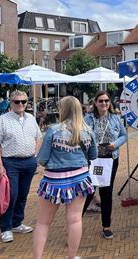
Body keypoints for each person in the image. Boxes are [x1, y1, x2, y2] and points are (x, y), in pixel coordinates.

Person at [33, 96, 97, 259]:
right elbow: (93, 155)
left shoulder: (53, 130)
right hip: (80, 180)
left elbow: (41, 159)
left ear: (63, 110)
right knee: (75, 220)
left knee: (43, 222)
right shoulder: (88, 131)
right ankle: (72, 256)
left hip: (53, 180)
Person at [0, 90, 42, 243]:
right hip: (10, 162)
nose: (20, 104)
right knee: (10, 195)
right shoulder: (3, 120)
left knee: (22, 195)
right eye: (17, 102)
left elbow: (39, 137)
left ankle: (17, 223)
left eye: (23, 102)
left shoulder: (31, 118)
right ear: (10, 103)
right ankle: (5, 227)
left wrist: (34, 155)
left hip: (28, 162)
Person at [82, 91, 128, 239]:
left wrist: (115, 144)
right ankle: (75, 223)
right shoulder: (88, 118)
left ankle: (106, 226)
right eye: (101, 101)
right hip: (93, 159)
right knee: (88, 191)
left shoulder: (115, 118)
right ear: (95, 102)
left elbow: (124, 135)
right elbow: (82, 135)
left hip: (110, 159)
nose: (104, 104)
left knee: (106, 192)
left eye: (106, 101)